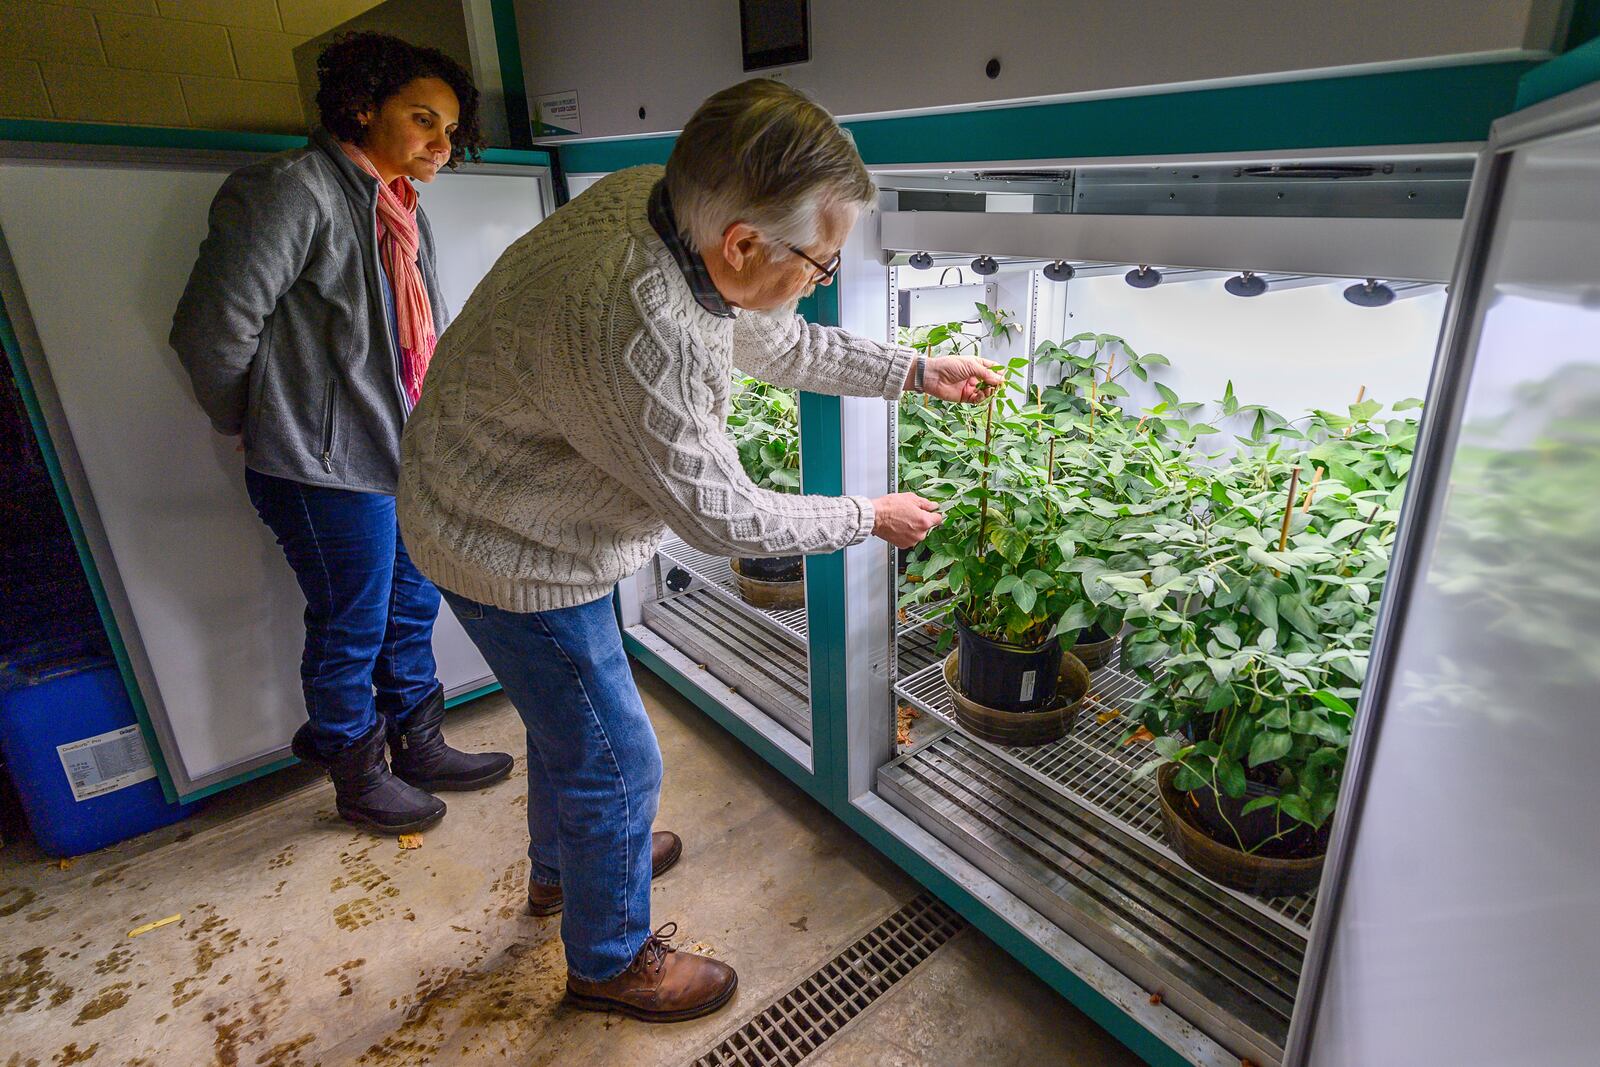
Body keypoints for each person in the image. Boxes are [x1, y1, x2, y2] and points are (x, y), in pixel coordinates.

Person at [397, 77, 1000, 1022]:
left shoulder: (668, 200)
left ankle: (575, 869)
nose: (824, 276)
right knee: (618, 758)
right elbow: (728, 521)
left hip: (510, 506)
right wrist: (868, 514)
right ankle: (608, 956)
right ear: (744, 244)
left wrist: (916, 372)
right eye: (822, 260)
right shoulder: (635, 319)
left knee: (575, 728)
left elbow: (782, 344)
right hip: (507, 541)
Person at [170, 32, 512, 835]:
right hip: (325, 468)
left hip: (400, 458)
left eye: (451, 129)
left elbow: (411, 337)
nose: (442, 143)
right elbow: (210, 332)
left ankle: (418, 743)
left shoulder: (395, 204)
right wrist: (262, 425)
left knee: (409, 606)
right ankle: (357, 775)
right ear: (362, 107)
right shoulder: (291, 191)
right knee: (352, 622)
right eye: (424, 120)